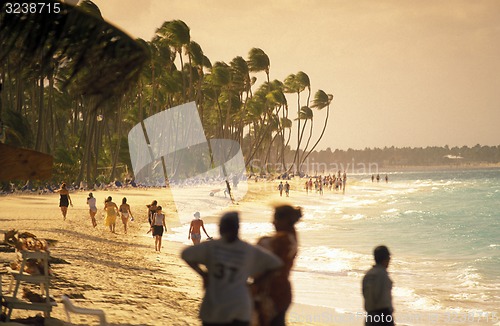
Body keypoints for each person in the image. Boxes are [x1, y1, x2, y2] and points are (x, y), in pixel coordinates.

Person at [181, 212, 283, 326]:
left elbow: (185, 254)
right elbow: (276, 264)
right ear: (237, 229)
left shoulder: (212, 247)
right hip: (240, 307)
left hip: (214, 307)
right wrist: (256, 284)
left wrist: (204, 274)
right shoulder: (248, 250)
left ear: (220, 228)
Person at [253, 205, 302, 326]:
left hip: (274, 292)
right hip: (281, 290)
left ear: (285, 220)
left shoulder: (284, 240)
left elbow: (261, 248)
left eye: (276, 219)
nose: (273, 222)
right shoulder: (290, 236)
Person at [362, 245, 394, 326]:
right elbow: (383, 300)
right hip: (382, 317)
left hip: (370, 317)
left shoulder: (368, 274)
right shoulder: (382, 275)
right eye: (389, 257)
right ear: (386, 259)